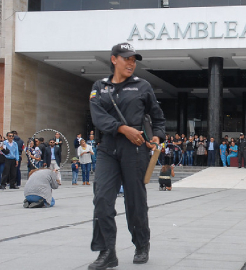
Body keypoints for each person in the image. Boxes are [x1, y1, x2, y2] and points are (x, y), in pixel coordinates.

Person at [88, 42, 165, 268]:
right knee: (102, 199)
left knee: (135, 201)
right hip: (108, 148)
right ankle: (106, 251)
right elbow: (98, 116)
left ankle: (142, 244)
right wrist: (123, 129)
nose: (131, 63)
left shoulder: (142, 86)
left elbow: (157, 116)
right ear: (114, 59)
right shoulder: (99, 87)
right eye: (126, 59)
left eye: (134, 60)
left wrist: (157, 136)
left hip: (136, 150)